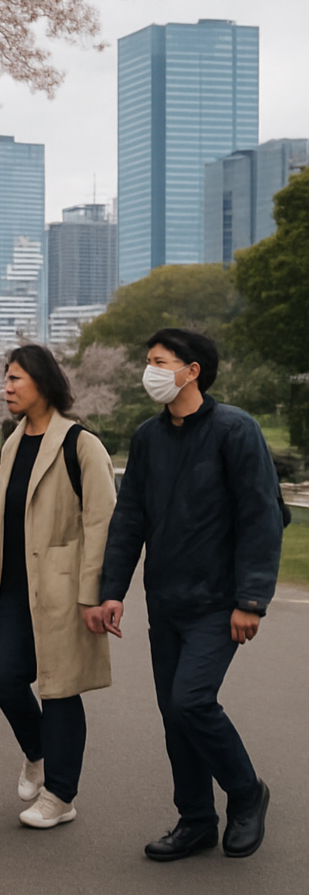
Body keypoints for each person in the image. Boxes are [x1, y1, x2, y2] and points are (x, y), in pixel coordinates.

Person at [84, 328, 282, 861]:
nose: (149, 371)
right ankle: (195, 820)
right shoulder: (148, 437)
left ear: (192, 370)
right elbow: (130, 519)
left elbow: (261, 517)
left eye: (159, 361)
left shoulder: (235, 430)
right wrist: (112, 591)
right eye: (147, 361)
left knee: (191, 700)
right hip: (165, 603)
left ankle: (245, 793)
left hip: (218, 603)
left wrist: (251, 599)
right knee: (176, 716)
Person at [0, 344, 117, 829]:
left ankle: (60, 795)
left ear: (42, 382)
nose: (6, 388)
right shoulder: (11, 442)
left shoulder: (81, 444)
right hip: (11, 587)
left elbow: (101, 523)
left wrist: (93, 593)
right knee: (4, 675)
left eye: (15, 379)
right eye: (6, 379)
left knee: (59, 688)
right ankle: (37, 753)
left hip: (62, 590)